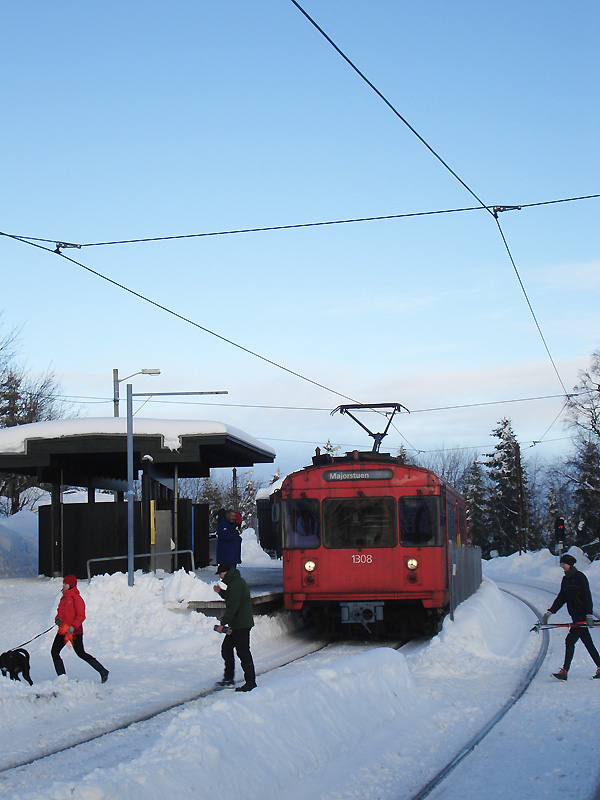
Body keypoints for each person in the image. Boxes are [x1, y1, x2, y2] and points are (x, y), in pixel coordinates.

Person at [543, 554, 600, 681]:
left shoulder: (580, 577)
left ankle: (565, 671)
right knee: (587, 642)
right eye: (562, 564)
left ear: (570, 564)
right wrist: (550, 612)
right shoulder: (566, 579)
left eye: (564, 564)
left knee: (570, 641)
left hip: (582, 614)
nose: (562, 566)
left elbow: (587, 595)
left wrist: (589, 614)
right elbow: (561, 597)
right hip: (574, 615)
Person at [51, 574, 109, 683]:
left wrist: (73, 627)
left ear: (71, 585)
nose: (63, 585)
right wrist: (57, 619)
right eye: (63, 583)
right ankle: (62, 677)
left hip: (75, 632)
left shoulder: (77, 598)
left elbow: (81, 615)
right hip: (63, 630)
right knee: (54, 652)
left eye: (66, 583)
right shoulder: (63, 598)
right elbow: (59, 612)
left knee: (81, 653)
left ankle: (102, 671)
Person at [213, 563, 256, 692]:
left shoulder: (236, 584)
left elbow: (233, 607)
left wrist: (222, 624)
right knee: (226, 648)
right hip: (237, 624)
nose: (220, 577)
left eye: (220, 574)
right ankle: (228, 679)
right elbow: (231, 598)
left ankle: (250, 682)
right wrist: (221, 592)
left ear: (226, 572)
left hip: (241, 624)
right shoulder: (234, 583)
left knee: (243, 652)